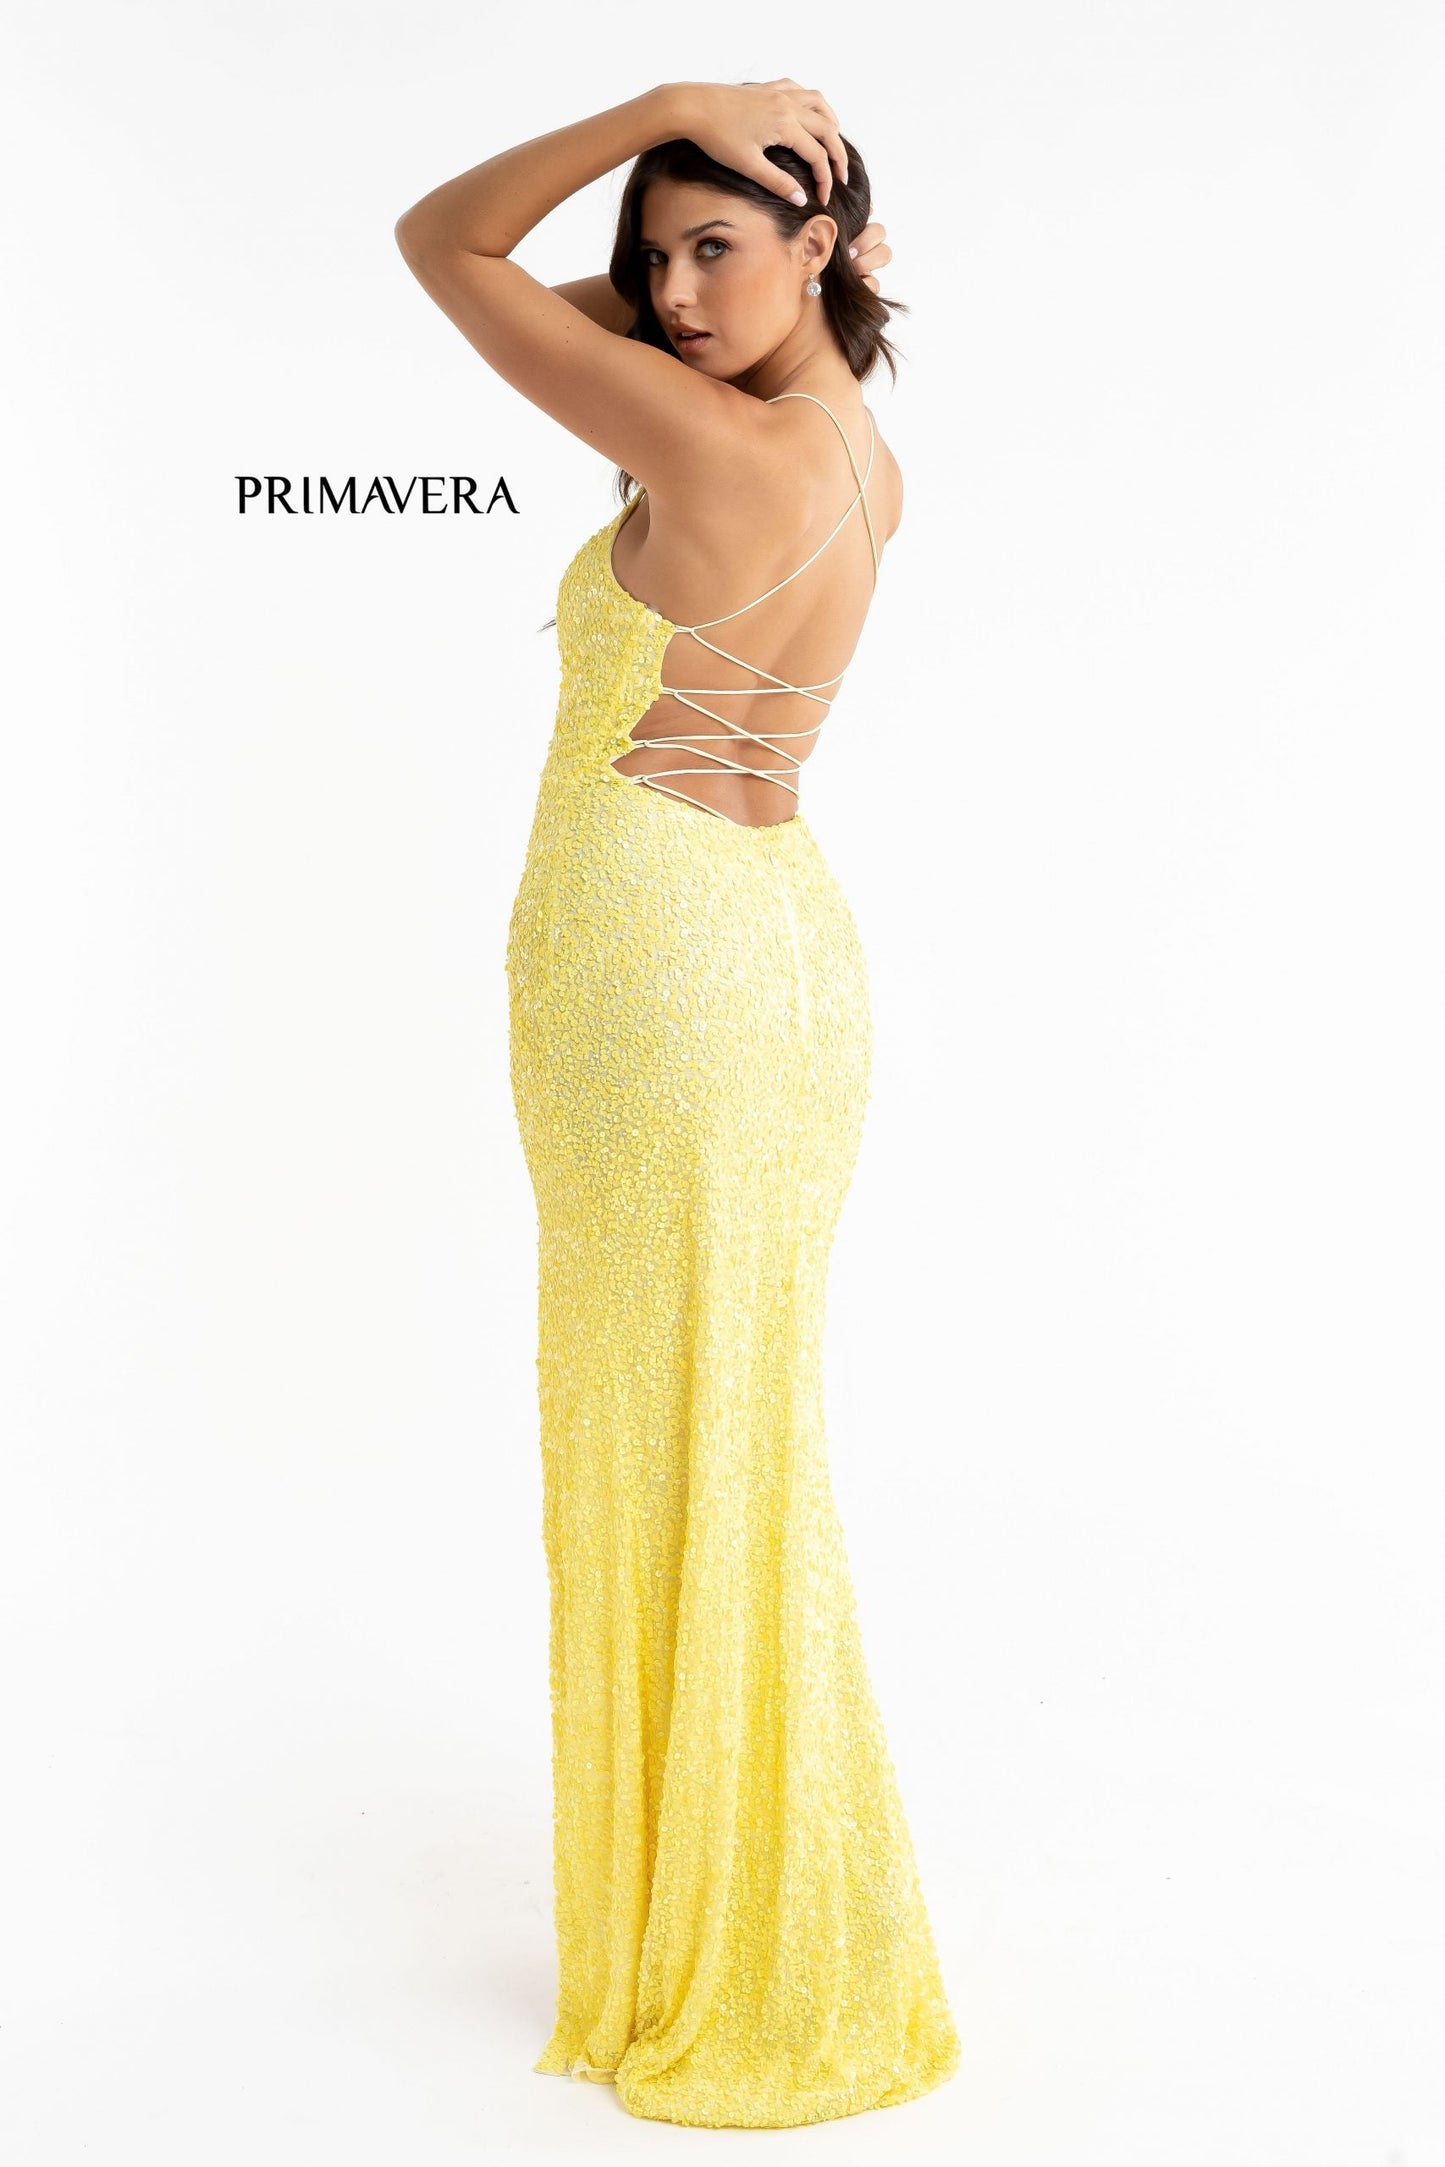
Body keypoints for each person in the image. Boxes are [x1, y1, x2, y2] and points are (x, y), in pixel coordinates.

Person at [395, 79, 961, 2129]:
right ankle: (733, 1884)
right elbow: (593, 308)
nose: (668, 292)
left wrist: (657, 109)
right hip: (783, 952)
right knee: (732, 1427)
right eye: (653, 257)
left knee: (676, 1421)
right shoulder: (852, 450)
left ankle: (726, 1937)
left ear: (816, 245)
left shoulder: (702, 441)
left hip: (659, 962)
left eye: (713, 245)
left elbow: (444, 249)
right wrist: (767, 246)